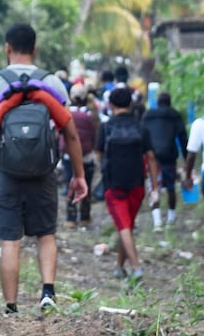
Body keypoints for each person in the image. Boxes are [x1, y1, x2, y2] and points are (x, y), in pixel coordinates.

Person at [0, 23, 88, 314]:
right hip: (44, 172)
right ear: (35, 49)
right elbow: (70, 134)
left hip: (6, 173)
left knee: (9, 241)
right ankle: (47, 292)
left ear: (7, 48)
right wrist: (78, 174)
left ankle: (11, 307)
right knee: (45, 234)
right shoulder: (53, 84)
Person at [96, 87, 159, 281]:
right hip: (137, 185)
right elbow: (151, 157)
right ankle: (118, 267)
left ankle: (136, 267)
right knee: (127, 226)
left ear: (111, 105)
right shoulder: (141, 127)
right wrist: (154, 187)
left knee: (124, 226)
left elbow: (99, 155)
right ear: (130, 104)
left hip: (114, 185)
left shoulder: (106, 128)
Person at [142, 91, 187, 231]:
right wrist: (186, 160)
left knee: (154, 186)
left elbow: (142, 133)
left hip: (152, 157)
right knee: (171, 187)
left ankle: (157, 222)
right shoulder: (174, 115)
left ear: (157, 102)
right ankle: (171, 218)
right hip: (169, 156)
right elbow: (183, 137)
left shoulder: (148, 115)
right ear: (170, 102)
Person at [63, 84, 98, 229]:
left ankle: (71, 219)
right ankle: (84, 217)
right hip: (87, 156)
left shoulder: (65, 114)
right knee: (86, 186)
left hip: (68, 157)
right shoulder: (90, 116)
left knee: (70, 186)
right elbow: (95, 135)